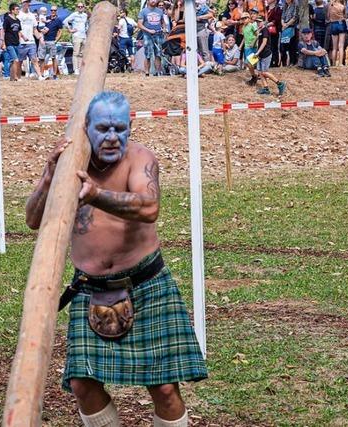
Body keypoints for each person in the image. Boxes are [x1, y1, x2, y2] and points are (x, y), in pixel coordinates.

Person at [25, 91, 207, 427]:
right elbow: (34, 219)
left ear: (130, 127)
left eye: (120, 129)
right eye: (104, 128)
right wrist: (50, 178)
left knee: (165, 388)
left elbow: (148, 207)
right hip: (90, 287)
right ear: (86, 127)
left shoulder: (140, 159)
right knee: (82, 382)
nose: (112, 138)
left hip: (145, 283)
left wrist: (95, 194)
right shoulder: (69, 164)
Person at [253, 16, 287, 95]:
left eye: (259, 21)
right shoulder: (261, 31)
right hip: (261, 55)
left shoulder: (265, 30)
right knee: (260, 73)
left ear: (264, 22)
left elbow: (264, 43)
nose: (258, 23)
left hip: (266, 54)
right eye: (257, 22)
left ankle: (280, 83)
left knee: (264, 72)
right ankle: (266, 88)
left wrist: (257, 53)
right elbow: (258, 42)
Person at [16, 0, 44, 80]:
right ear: (22, 3)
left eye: (28, 2)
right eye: (25, 2)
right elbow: (17, 29)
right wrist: (21, 38)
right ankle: (18, 77)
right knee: (20, 60)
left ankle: (40, 76)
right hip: (21, 41)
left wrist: (40, 38)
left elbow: (35, 29)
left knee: (34, 59)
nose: (27, 3)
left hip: (31, 41)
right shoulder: (18, 15)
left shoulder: (32, 15)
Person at [38, 5, 63, 79]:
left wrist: (56, 40)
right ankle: (41, 75)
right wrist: (41, 32)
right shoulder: (46, 18)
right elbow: (39, 27)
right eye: (52, 10)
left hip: (52, 41)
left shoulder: (58, 20)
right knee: (41, 58)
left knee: (53, 58)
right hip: (44, 41)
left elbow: (60, 31)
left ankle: (54, 75)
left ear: (56, 11)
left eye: (54, 10)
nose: (53, 11)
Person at [63, 2, 89, 75]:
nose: (80, 8)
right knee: (76, 53)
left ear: (84, 7)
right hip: (76, 36)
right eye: (79, 6)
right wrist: (70, 30)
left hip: (84, 36)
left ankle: (80, 69)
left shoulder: (85, 15)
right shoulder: (74, 14)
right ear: (77, 7)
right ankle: (76, 69)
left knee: (82, 54)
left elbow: (86, 25)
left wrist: (86, 31)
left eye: (81, 6)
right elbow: (65, 21)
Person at [2, 3, 21, 81]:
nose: (18, 11)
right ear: (12, 10)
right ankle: (16, 77)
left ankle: (12, 78)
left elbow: (19, 31)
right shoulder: (7, 19)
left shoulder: (18, 20)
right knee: (15, 59)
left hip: (16, 42)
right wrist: (3, 43)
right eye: (16, 9)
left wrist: (20, 40)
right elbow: (3, 31)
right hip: (9, 42)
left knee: (14, 61)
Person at [242, 10, 259, 85]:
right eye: (242, 18)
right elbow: (244, 38)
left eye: (245, 18)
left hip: (253, 47)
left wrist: (253, 43)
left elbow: (257, 35)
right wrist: (241, 46)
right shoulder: (243, 27)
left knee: (250, 63)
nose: (243, 20)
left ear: (249, 18)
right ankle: (254, 76)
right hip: (246, 47)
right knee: (247, 64)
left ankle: (255, 76)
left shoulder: (252, 25)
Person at [328, 0, 347, 65]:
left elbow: (328, 16)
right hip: (341, 23)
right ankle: (340, 63)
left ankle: (333, 63)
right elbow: (345, 16)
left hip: (333, 24)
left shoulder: (331, 5)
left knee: (334, 47)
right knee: (341, 46)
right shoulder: (342, 6)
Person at [280, 0, 298, 66]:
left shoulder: (295, 5)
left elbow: (295, 17)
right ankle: (284, 63)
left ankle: (292, 62)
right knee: (283, 46)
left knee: (292, 46)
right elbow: (282, 17)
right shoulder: (285, 5)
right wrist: (283, 24)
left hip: (291, 27)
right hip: (284, 28)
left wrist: (287, 24)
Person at [267, 0, 283, 66]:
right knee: (268, 46)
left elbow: (276, 20)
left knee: (274, 47)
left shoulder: (278, 9)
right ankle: (269, 62)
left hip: (274, 31)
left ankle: (275, 62)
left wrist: (267, 24)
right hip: (266, 30)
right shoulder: (266, 8)